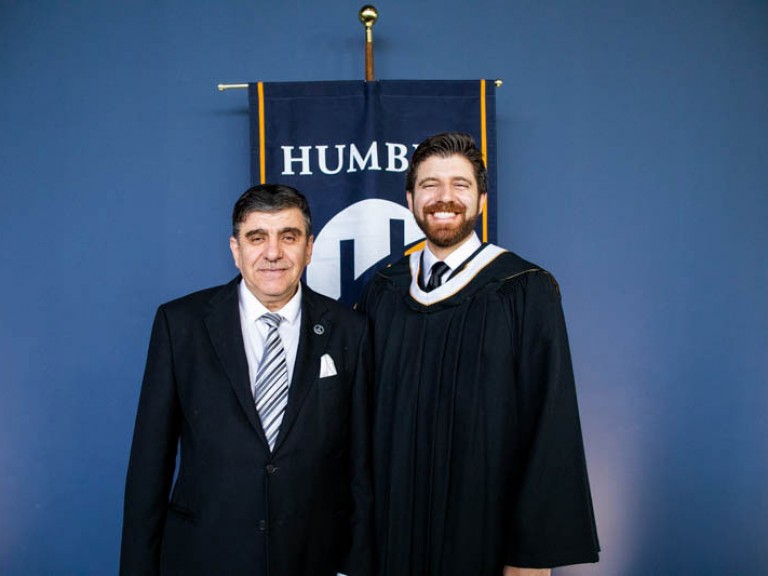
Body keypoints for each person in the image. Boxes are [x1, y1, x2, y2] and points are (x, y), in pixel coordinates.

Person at [357, 133, 599, 576]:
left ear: (481, 199)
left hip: (484, 535)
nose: (444, 197)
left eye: (460, 185)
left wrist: (531, 559)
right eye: (429, 185)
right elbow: (358, 427)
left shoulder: (524, 289)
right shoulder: (383, 291)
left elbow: (551, 425)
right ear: (410, 199)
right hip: (393, 537)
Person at [121, 184, 372, 576]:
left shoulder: (351, 332)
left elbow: (361, 469)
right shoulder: (180, 325)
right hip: (205, 557)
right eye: (257, 237)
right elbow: (149, 466)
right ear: (236, 250)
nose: (273, 252)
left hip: (314, 558)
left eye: (288, 237)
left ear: (309, 247)